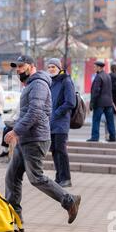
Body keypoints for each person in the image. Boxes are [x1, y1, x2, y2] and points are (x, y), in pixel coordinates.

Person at [4, 55, 81, 225]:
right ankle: (13, 215)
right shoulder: (31, 84)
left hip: (35, 139)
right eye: (16, 67)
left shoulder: (38, 84)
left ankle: (69, 200)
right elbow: (28, 112)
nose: (18, 70)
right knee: (12, 177)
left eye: (21, 66)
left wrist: (16, 131)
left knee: (36, 177)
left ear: (31, 66)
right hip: (27, 138)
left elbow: (35, 112)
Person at [47, 58, 76, 188]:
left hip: (61, 122)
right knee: (54, 150)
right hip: (52, 123)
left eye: (53, 67)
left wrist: (57, 113)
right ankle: (59, 177)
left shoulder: (66, 81)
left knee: (61, 150)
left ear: (59, 68)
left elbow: (71, 102)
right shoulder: (51, 82)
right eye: (49, 67)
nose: (51, 69)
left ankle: (66, 178)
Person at [86, 61, 116, 142]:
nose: (94, 68)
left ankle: (95, 137)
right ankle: (113, 137)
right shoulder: (107, 76)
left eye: (95, 66)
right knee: (110, 121)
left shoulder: (98, 77)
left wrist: (92, 103)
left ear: (99, 67)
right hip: (109, 102)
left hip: (100, 103)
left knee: (96, 120)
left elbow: (96, 91)